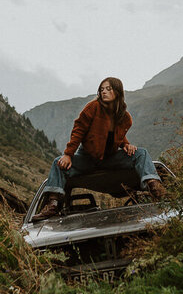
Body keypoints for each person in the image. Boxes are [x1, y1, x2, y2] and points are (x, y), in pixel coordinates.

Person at [33, 77, 166, 221]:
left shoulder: (124, 117)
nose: (104, 92)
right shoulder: (92, 108)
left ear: (117, 91)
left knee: (141, 153)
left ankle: (155, 189)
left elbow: (116, 136)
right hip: (87, 158)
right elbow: (78, 131)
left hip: (110, 158)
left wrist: (126, 145)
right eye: (102, 89)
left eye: (108, 89)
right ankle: (53, 205)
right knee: (58, 163)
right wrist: (68, 154)